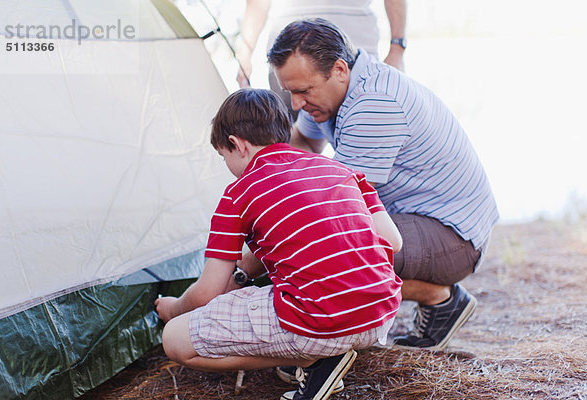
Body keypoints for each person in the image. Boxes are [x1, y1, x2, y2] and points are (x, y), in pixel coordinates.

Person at [267, 19, 499, 353]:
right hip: (420, 218)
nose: (296, 105)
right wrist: (266, 174)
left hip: (455, 238)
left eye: (303, 91)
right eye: (291, 92)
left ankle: (439, 298)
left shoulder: (373, 104)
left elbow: (333, 207)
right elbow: (303, 141)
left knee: (331, 248)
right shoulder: (334, 89)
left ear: (339, 69)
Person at [155, 88, 403, 400]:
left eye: (224, 157)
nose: (228, 167)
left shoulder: (239, 193)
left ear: (237, 144)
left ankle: (314, 360)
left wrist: (174, 308)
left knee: (174, 340)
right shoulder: (343, 171)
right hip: (379, 314)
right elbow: (392, 242)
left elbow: (206, 293)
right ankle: (326, 351)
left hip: (317, 322)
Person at [236, 0, 407, 119]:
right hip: (286, 59)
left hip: (354, 53)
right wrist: (245, 51)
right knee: (294, 137)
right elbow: (257, 3)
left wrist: (397, 48)